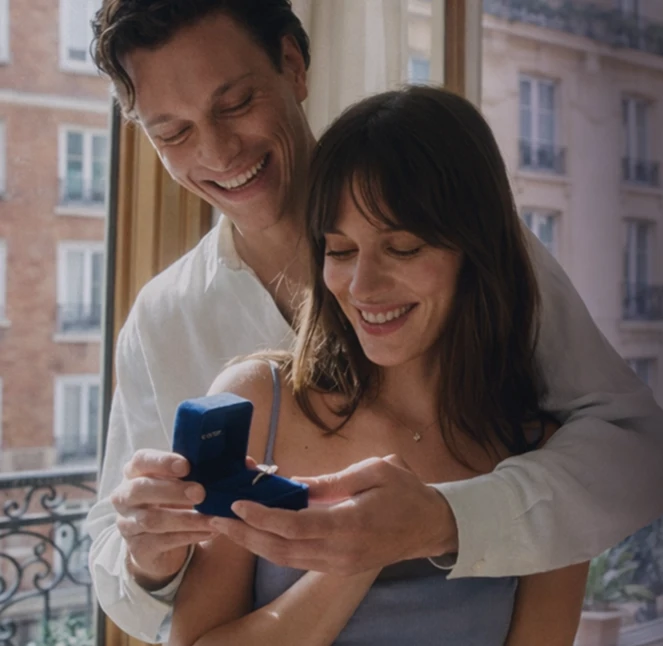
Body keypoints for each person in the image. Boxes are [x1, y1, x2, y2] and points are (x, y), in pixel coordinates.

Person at [82, 1, 663, 641]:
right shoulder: (166, 321)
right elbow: (133, 578)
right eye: (173, 133)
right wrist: (148, 559)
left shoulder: (486, 261)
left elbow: (634, 451)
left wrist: (441, 521)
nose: (218, 151)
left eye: (234, 104)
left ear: (292, 64)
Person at [167, 85, 588, 646]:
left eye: (403, 248)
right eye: (340, 251)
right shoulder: (254, 404)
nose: (362, 287)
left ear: (477, 252)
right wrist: (354, 558)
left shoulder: (546, 460)